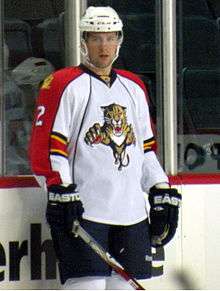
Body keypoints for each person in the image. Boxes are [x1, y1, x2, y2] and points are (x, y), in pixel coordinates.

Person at [29, 6, 181, 290]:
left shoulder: (134, 86)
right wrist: (58, 189)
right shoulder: (64, 84)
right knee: (88, 286)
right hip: (85, 212)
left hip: (132, 214)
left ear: (119, 41)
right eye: (97, 38)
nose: (104, 46)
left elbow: (145, 150)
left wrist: (161, 188)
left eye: (110, 38)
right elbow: (47, 149)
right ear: (84, 41)